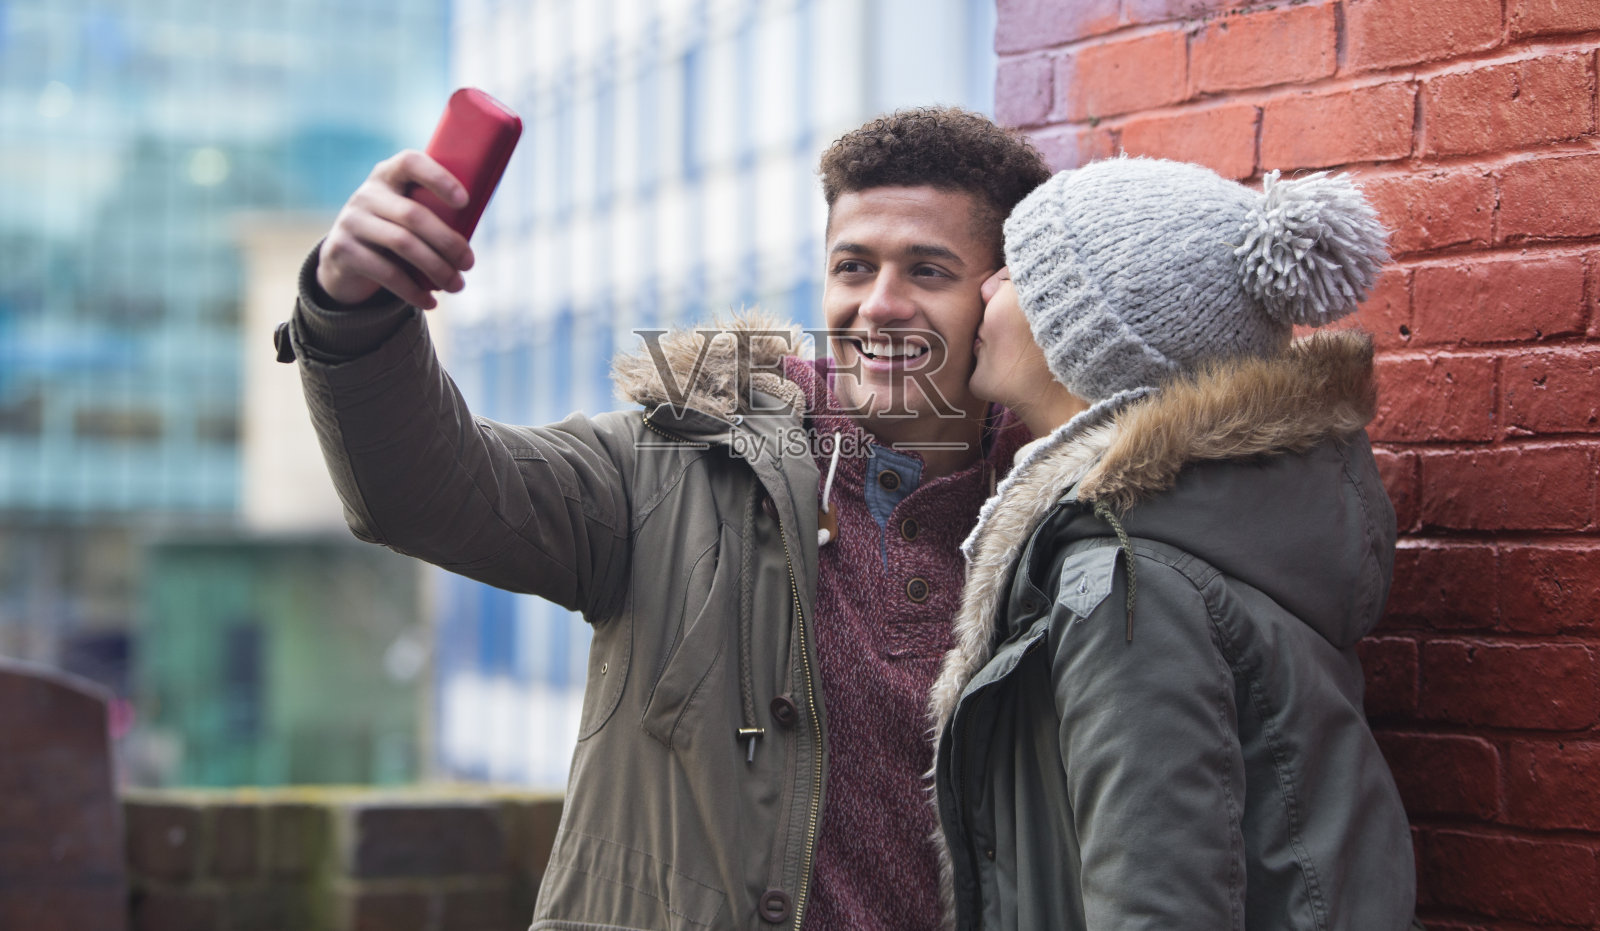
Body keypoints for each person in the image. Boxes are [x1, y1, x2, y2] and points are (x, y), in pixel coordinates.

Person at [277, 107, 1050, 929]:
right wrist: (350, 306)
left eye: (927, 271)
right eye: (853, 267)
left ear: (1002, 295)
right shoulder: (679, 463)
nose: (879, 306)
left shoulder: (1059, 524)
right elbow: (421, 489)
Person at [928, 157, 1417, 930]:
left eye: (1017, 271)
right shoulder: (1190, 530)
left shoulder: (1127, 575)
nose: (984, 286)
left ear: (1085, 342)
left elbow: (1155, 901)